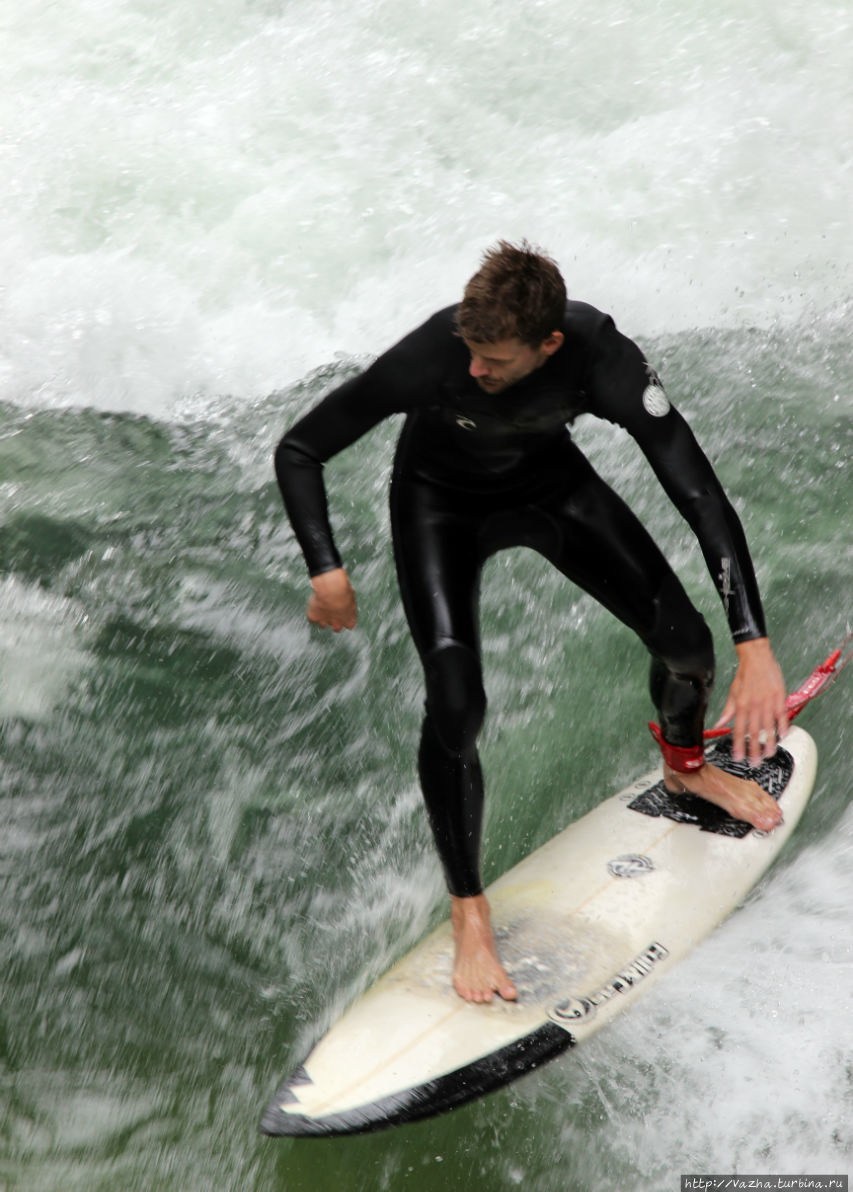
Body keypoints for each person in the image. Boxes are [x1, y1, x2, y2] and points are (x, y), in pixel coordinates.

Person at [274, 241, 788, 1005]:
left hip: (550, 488)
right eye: (469, 354)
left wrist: (754, 642)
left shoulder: (600, 357)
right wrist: (326, 568)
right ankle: (469, 914)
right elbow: (301, 448)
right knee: (457, 701)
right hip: (437, 507)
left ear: (549, 346)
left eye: (495, 360)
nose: (475, 371)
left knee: (687, 650)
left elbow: (698, 490)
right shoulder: (435, 351)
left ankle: (685, 769)